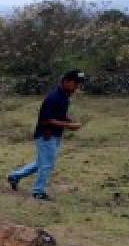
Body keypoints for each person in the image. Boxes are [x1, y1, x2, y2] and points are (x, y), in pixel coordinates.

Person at [7, 70, 85, 201]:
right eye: (75, 83)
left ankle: (15, 176)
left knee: (41, 162)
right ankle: (38, 191)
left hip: (54, 134)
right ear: (66, 81)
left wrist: (69, 120)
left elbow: (57, 115)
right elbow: (46, 119)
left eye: (79, 83)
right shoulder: (54, 97)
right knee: (47, 164)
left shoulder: (64, 96)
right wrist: (68, 125)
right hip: (47, 135)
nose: (77, 86)